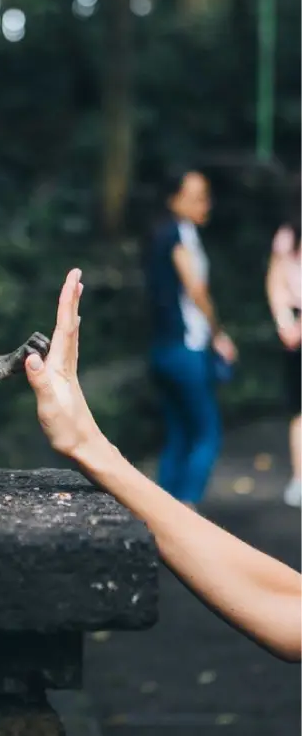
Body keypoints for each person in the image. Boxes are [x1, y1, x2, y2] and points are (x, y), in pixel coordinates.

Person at [24, 269, 301, 664]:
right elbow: (289, 610)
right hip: (183, 355)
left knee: (193, 434)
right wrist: (90, 447)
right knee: (198, 433)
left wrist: (92, 449)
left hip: (171, 355)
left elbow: (288, 612)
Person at [143, 169, 237, 509]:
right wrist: (218, 335)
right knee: (207, 434)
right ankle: (186, 509)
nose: (205, 204)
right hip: (186, 349)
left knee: (178, 434)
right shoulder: (176, 235)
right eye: (196, 197)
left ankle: (161, 512)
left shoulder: (160, 234)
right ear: (173, 199)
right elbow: (195, 289)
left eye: (205, 196)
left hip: (162, 348)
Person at [266, 181, 302, 508]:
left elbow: (275, 284)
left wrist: (289, 325)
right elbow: (276, 283)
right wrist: (287, 324)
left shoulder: (287, 236)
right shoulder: (288, 237)